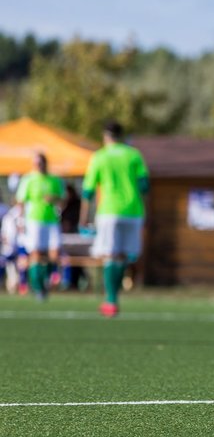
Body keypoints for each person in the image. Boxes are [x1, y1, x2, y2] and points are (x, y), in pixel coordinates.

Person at [80, 120, 150, 318]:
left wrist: (84, 218)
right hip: (133, 211)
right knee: (122, 256)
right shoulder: (134, 155)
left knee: (109, 255)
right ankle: (114, 297)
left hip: (109, 211)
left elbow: (88, 191)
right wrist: (147, 212)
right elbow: (145, 186)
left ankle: (110, 299)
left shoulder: (99, 156)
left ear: (105, 136)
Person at [15, 152, 64, 301]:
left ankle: (47, 280)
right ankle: (38, 287)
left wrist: (54, 198)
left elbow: (62, 199)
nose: (39, 166)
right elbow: (21, 201)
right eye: (36, 163)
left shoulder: (54, 180)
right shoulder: (28, 179)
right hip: (34, 221)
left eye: (41, 163)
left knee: (54, 254)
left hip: (52, 221)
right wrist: (21, 221)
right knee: (35, 254)